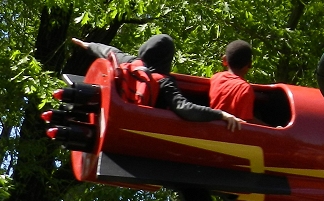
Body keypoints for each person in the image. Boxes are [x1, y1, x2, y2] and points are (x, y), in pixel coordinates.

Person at [72, 33, 242, 132]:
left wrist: (88, 45)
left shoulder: (129, 62)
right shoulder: (164, 82)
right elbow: (185, 109)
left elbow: (108, 51)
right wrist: (221, 114)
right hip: (142, 127)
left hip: (115, 113)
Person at [209, 40, 256, 123]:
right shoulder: (244, 89)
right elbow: (246, 123)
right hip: (230, 133)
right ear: (249, 65)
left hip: (212, 127)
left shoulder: (216, 78)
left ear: (224, 60)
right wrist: (273, 129)